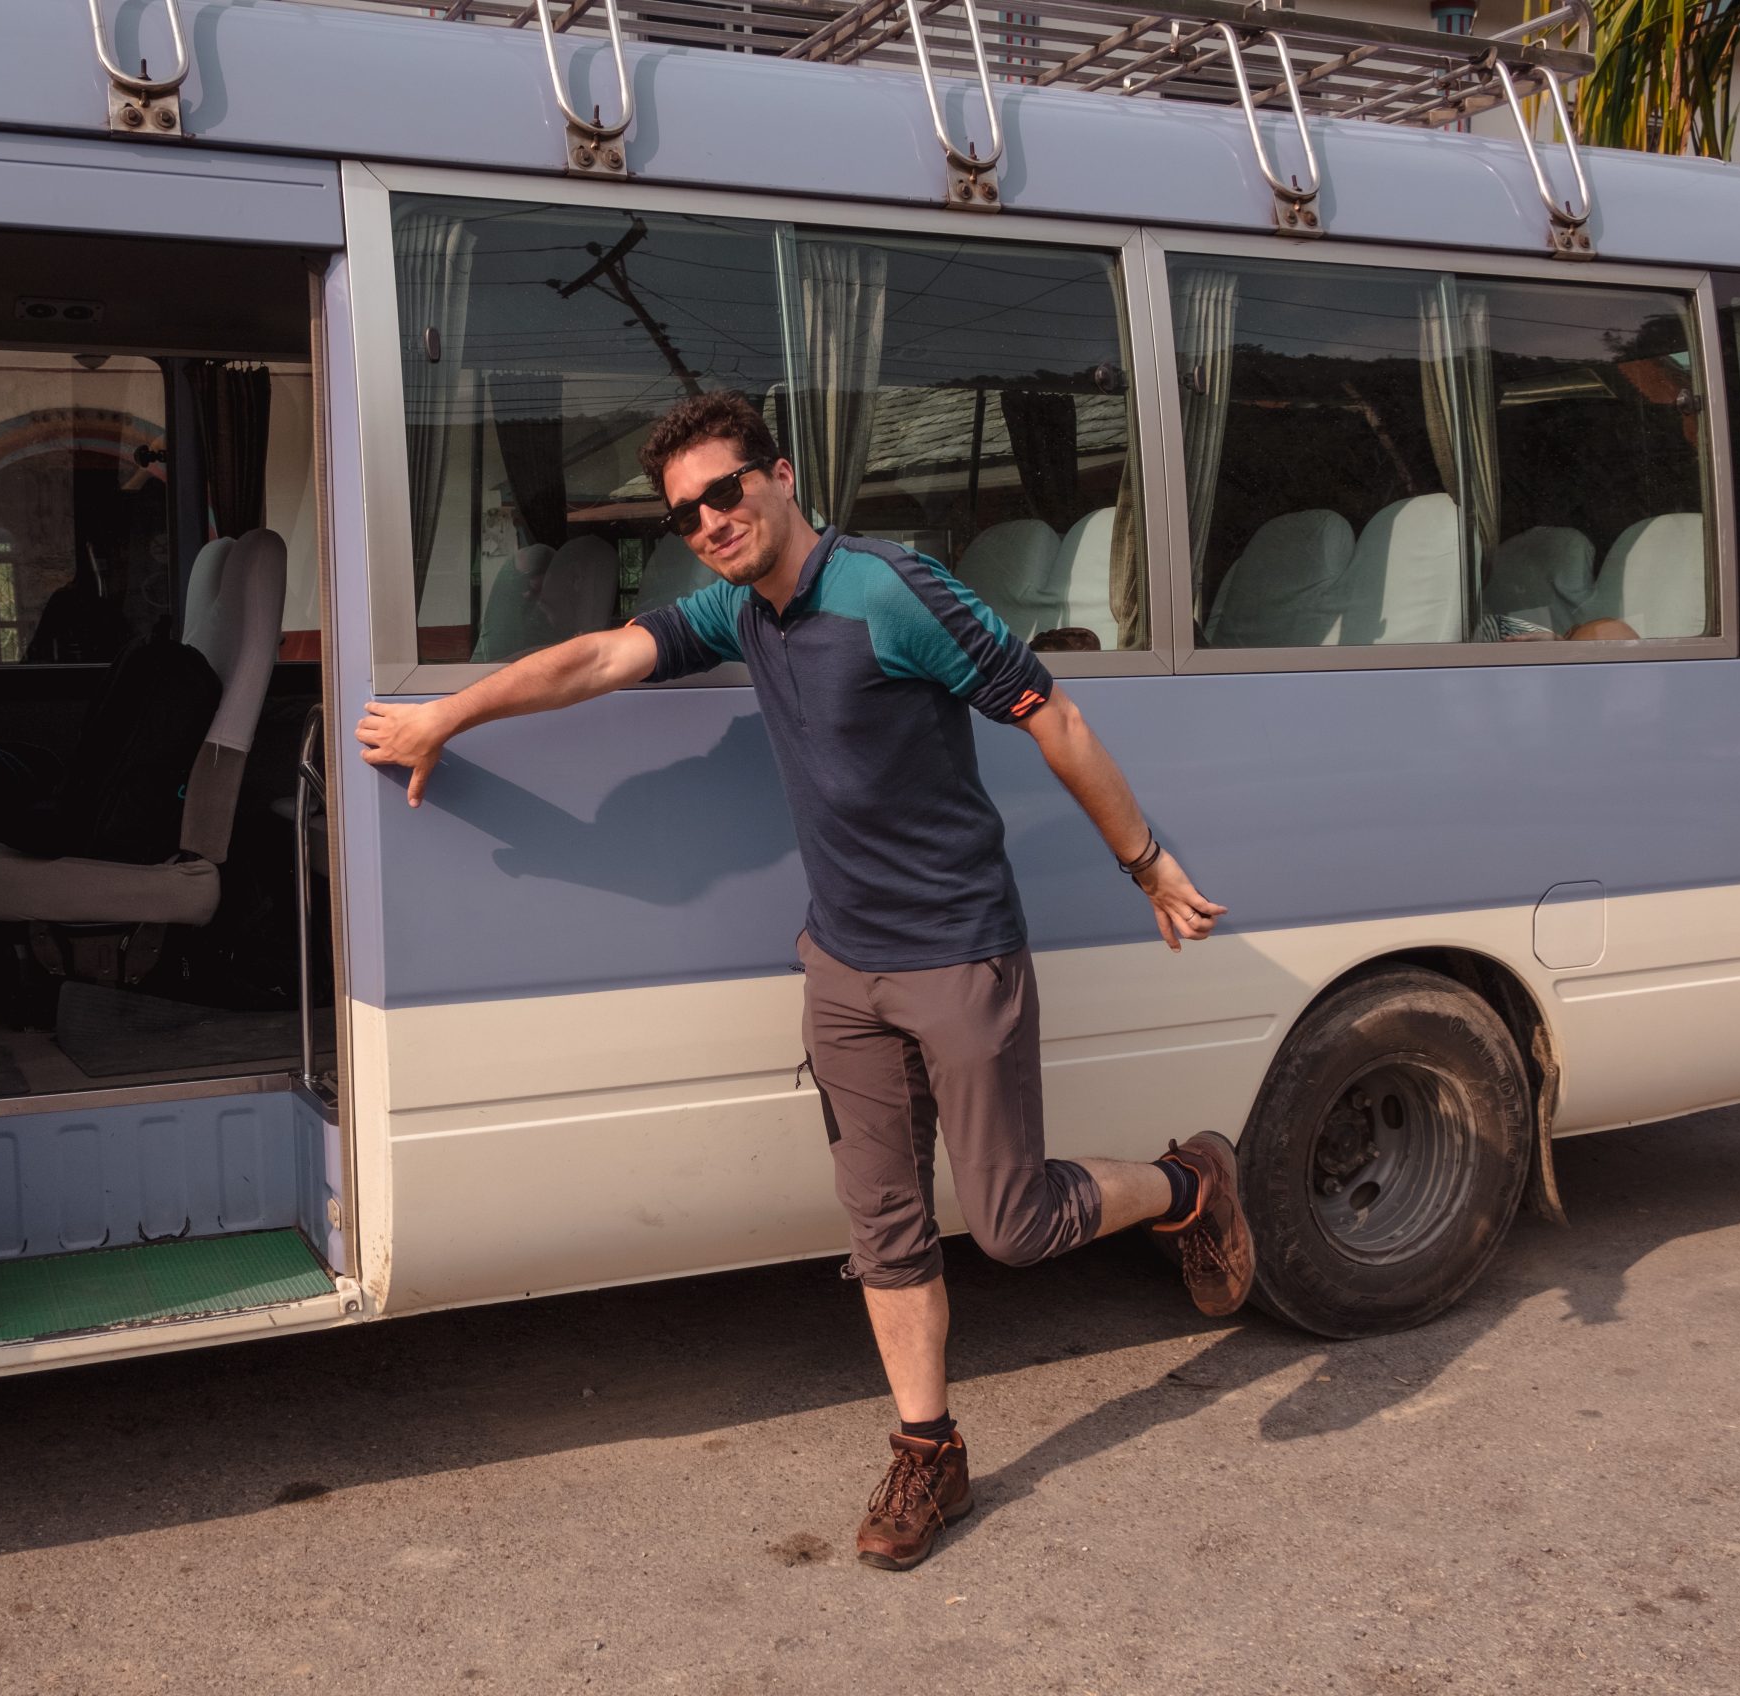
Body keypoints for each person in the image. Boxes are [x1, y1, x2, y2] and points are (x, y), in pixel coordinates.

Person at [357, 393, 1252, 1571]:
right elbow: (598, 658)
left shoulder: (891, 593)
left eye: (726, 491)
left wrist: (1146, 863)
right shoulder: (741, 609)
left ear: (780, 476)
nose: (711, 521)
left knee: (1015, 1223)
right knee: (883, 1226)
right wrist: (450, 718)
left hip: (955, 954)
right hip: (841, 966)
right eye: (686, 513)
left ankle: (1188, 1181)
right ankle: (928, 1451)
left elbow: (1056, 717)